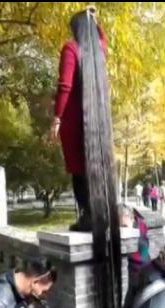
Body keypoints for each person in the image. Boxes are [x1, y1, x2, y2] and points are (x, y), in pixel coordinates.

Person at [50, 7, 109, 232]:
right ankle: (98, 215)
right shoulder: (99, 51)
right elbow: (102, 38)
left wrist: (57, 118)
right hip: (99, 120)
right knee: (95, 167)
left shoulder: (71, 48)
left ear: (76, 29)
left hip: (75, 121)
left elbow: (64, 85)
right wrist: (95, 20)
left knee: (78, 170)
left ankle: (87, 217)